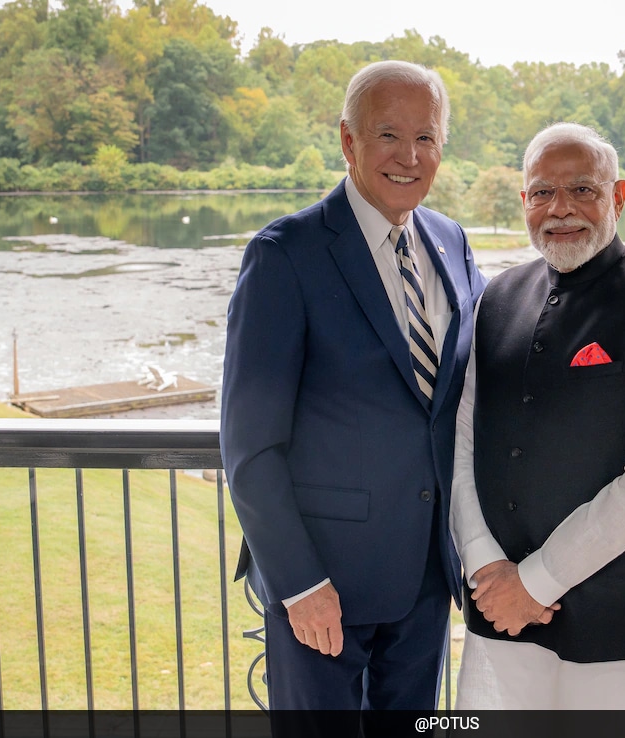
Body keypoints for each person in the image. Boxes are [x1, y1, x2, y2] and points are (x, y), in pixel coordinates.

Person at [219, 60, 485, 723]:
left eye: (426, 138)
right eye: (388, 135)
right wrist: (299, 581)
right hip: (323, 588)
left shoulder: (451, 243)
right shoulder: (285, 255)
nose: (409, 156)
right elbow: (249, 447)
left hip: (426, 579)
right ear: (348, 141)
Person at [449, 122, 625, 709]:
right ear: (524, 202)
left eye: (582, 190)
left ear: (617, 197)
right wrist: (486, 564)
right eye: (542, 192)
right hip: (502, 612)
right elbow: (464, 438)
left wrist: (534, 582)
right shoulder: (495, 300)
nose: (560, 209)